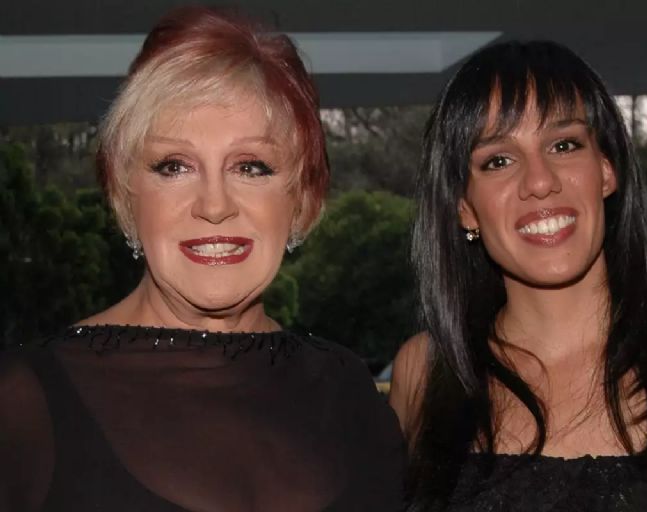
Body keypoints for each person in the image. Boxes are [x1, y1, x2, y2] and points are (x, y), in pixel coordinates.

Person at [0, 7, 403, 512]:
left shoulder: (351, 395)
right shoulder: (22, 403)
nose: (214, 205)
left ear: (301, 198)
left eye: (251, 167)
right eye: (175, 166)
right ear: (125, 196)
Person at [389, 40, 647, 511]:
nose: (540, 181)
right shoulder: (425, 372)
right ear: (464, 207)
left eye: (564, 145)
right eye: (498, 160)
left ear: (606, 170)